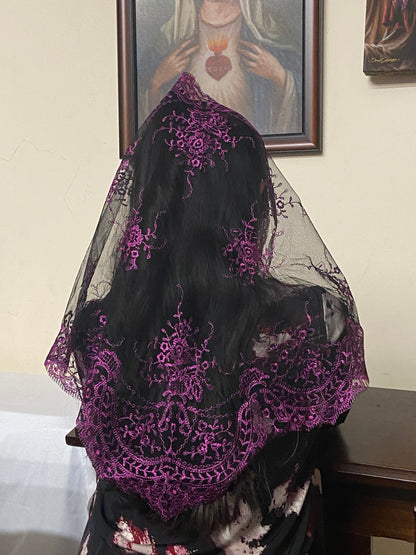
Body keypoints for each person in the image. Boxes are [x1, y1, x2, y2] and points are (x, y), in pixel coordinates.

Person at [45, 73, 368, 554]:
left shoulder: (98, 328)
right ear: (254, 204)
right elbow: (333, 411)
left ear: (143, 205)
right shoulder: (313, 323)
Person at [138, 0, 302, 135]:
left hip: (244, 153)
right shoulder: (171, 36)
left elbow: (306, 96)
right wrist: (156, 82)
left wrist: (279, 74)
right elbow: (143, 119)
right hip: (191, 157)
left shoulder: (268, 30)